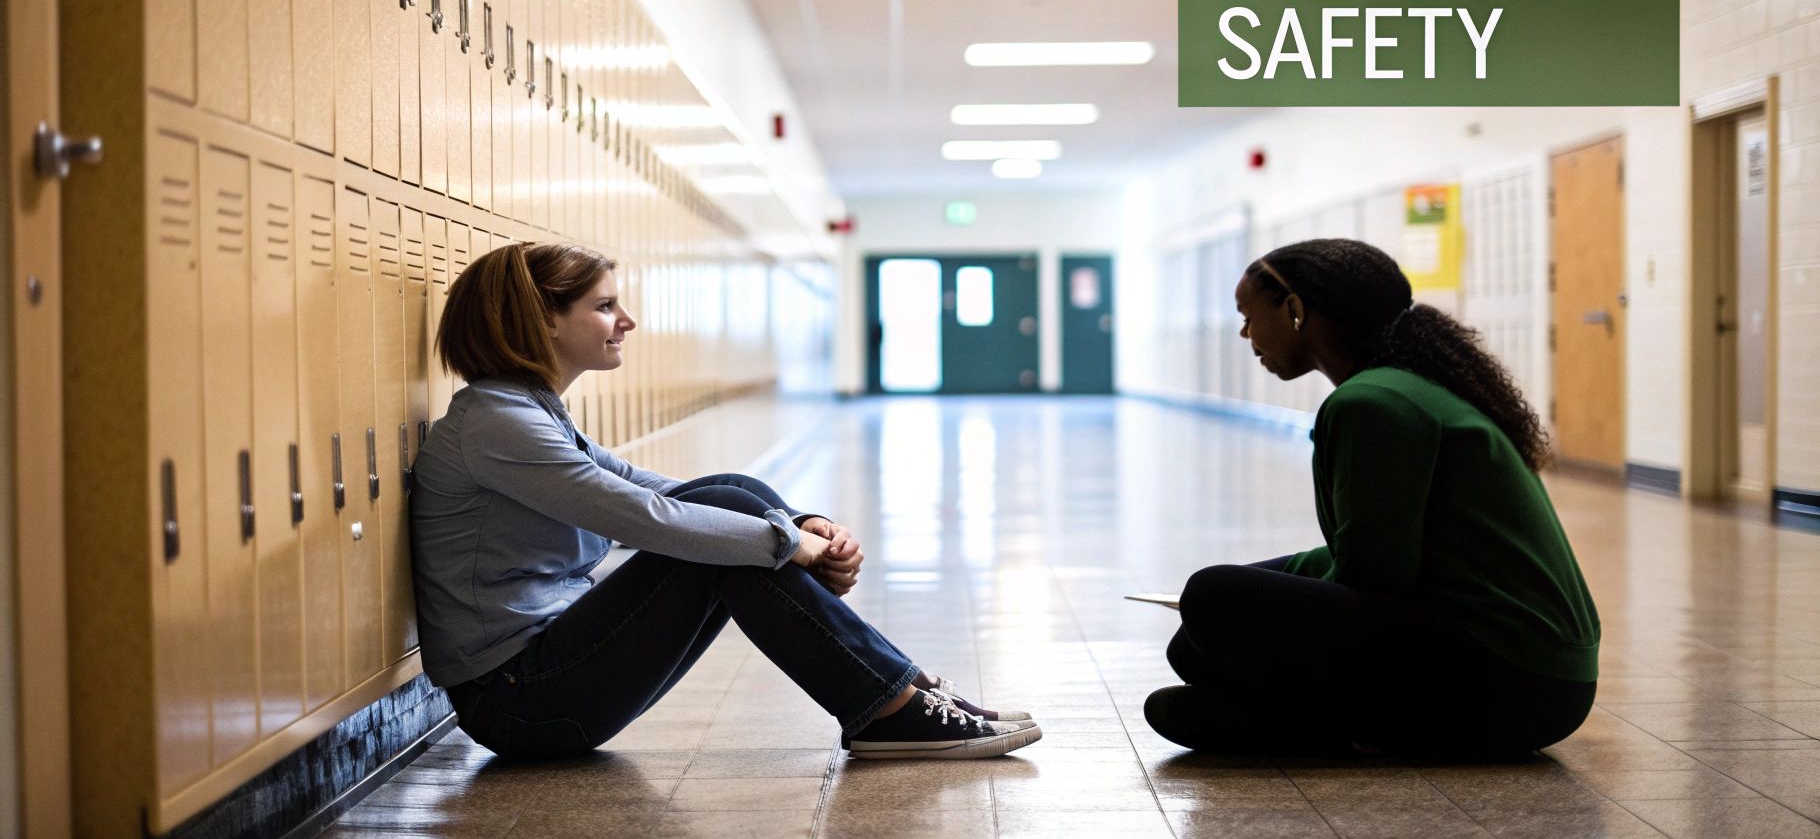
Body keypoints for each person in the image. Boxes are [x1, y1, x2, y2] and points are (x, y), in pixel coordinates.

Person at [410, 242, 1041, 760]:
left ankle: (897, 695)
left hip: (549, 677)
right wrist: (787, 545)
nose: (626, 321)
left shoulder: (527, 411)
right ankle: (891, 702)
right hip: (520, 700)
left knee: (731, 496)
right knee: (724, 522)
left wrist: (797, 524)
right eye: (605, 307)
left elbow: (644, 485)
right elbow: (639, 516)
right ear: (541, 319)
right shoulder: (497, 423)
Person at [1145, 238, 1599, 759]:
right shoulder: (1411, 387)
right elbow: (1375, 545)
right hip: (1544, 680)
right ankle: (1350, 727)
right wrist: (1279, 578)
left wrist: (1256, 604)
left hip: (1512, 678)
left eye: (1248, 316)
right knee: (1195, 644)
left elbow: (1372, 575)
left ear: (1294, 310)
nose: (1246, 334)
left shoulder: (1370, 403)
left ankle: (1349, 732)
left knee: (1210, 596)